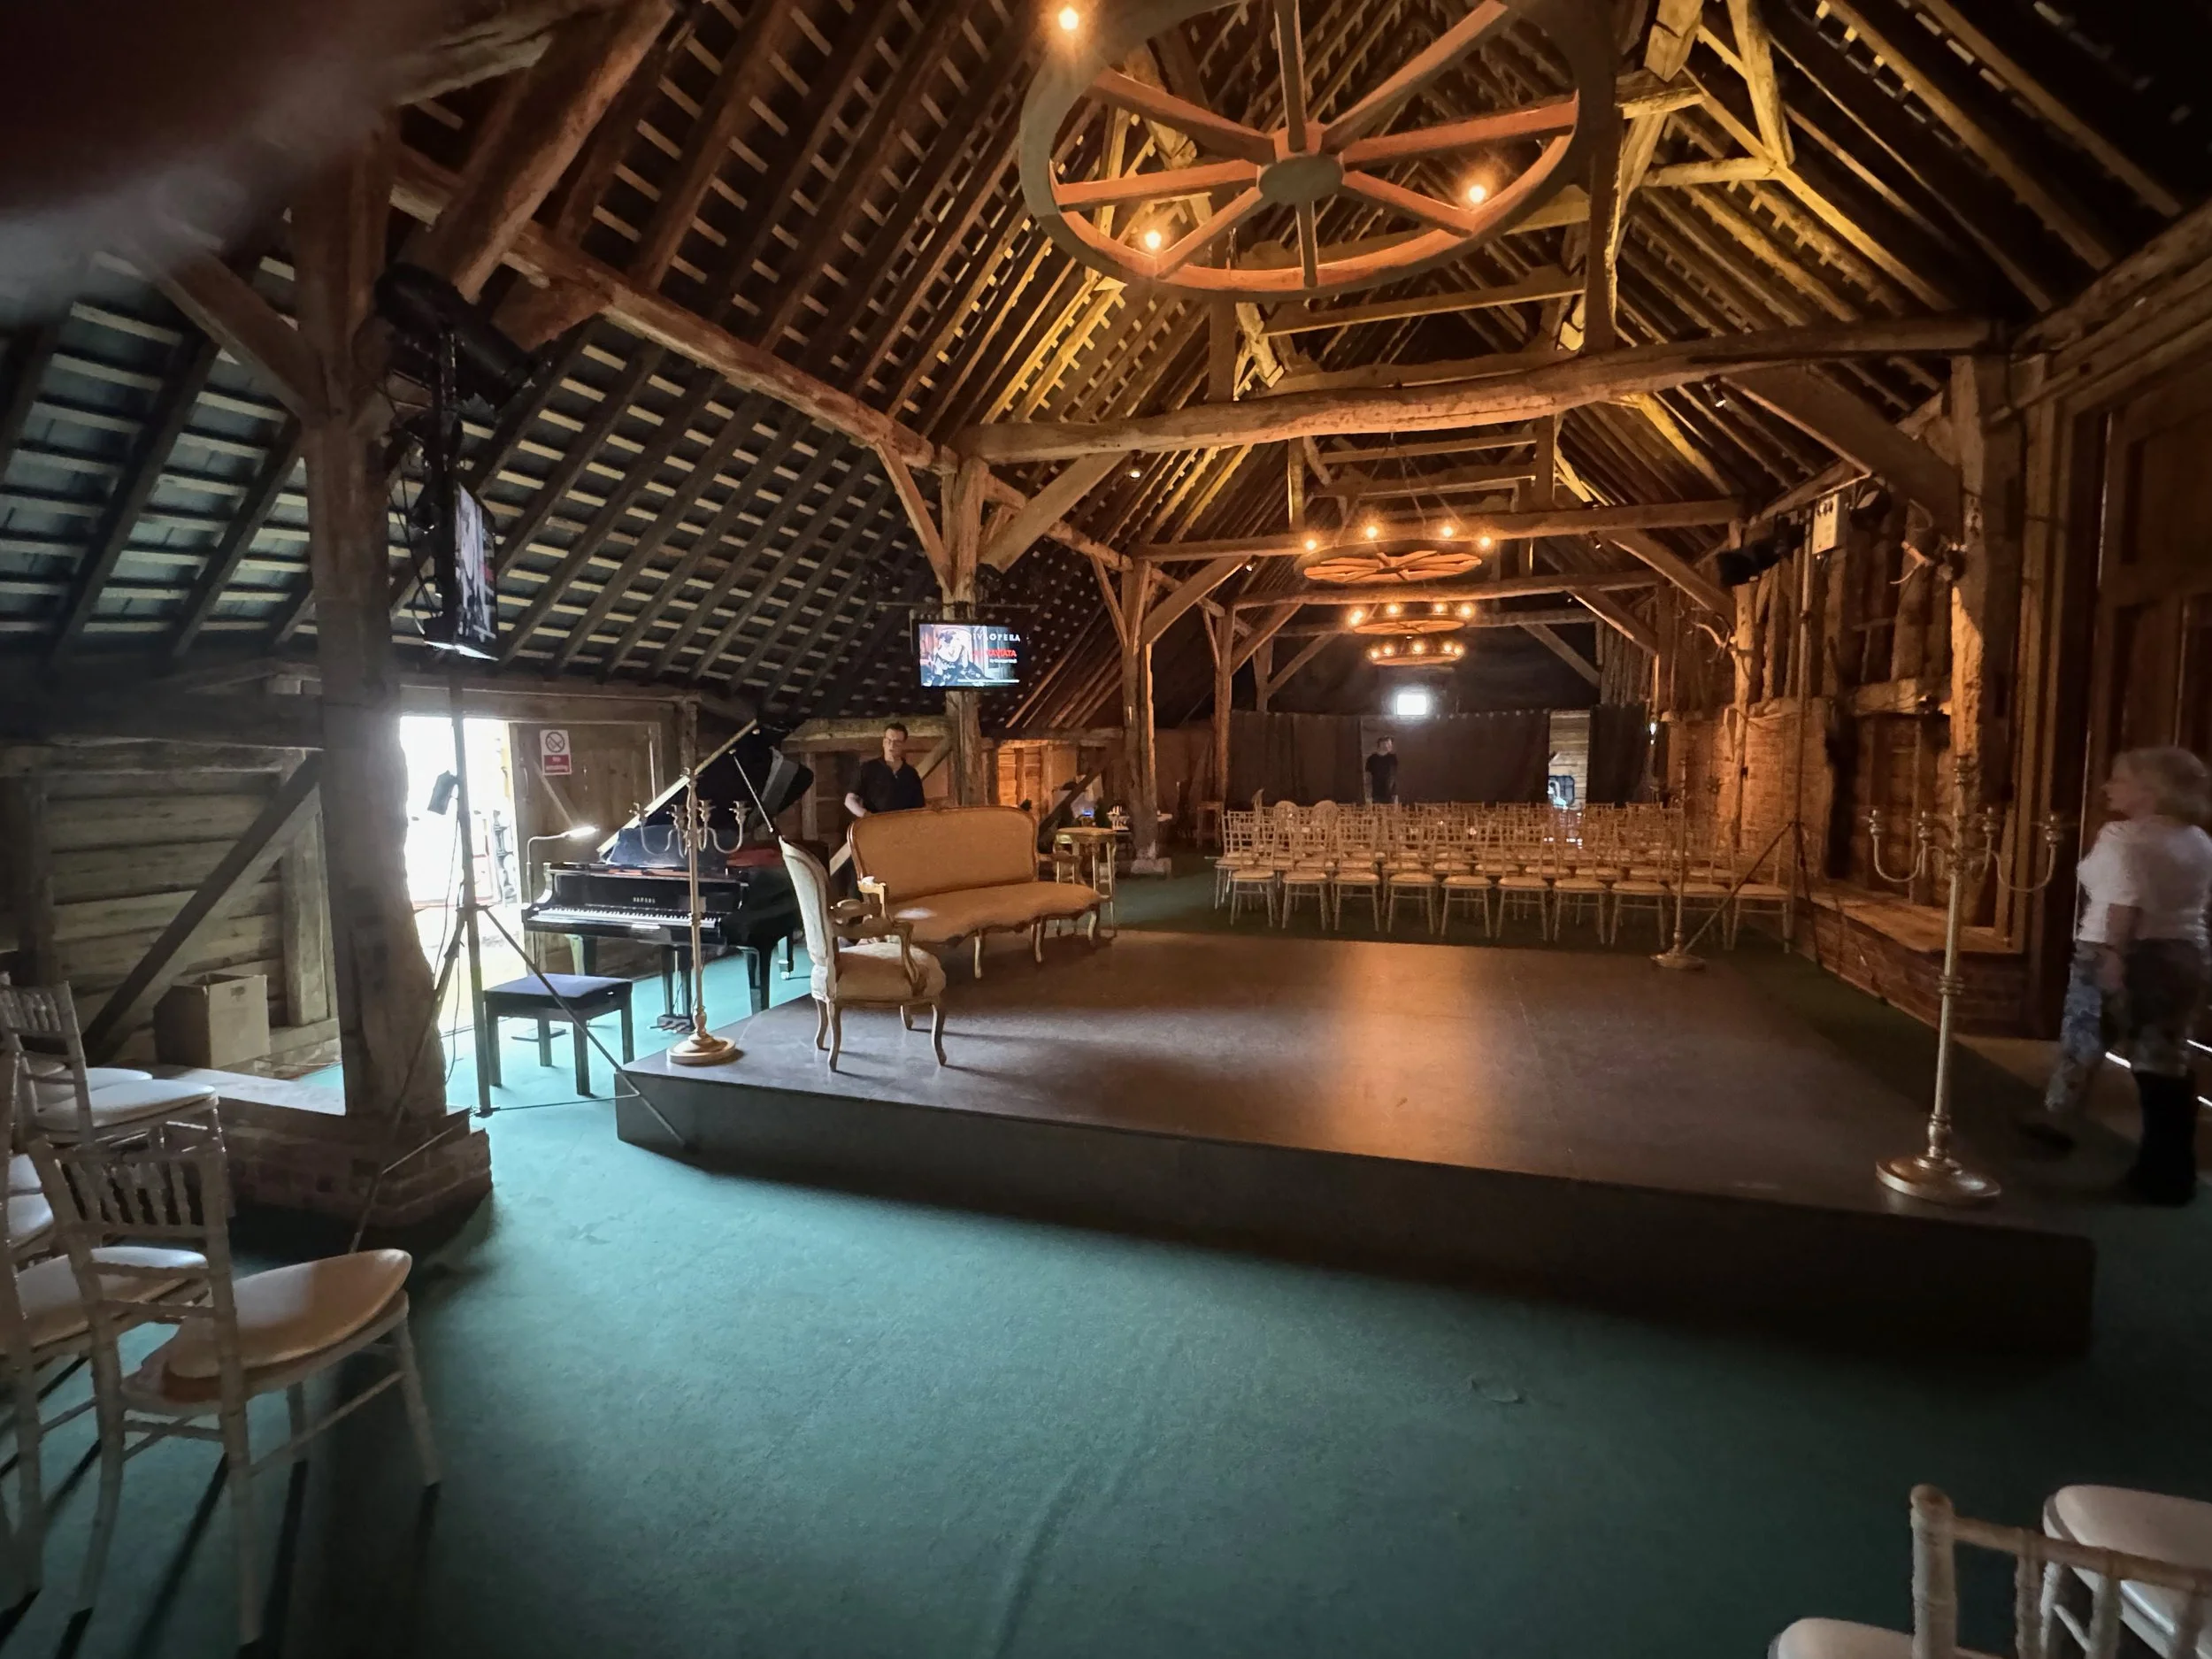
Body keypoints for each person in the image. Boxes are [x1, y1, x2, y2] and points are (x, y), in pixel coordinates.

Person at [2025, 746, 2212, 1203]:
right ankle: (2169, 1170)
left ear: (2151, 790)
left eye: (2120, 779)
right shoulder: (2198, 840)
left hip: (2118, 950)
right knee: (2163, 1061)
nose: (2109, 787)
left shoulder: (2123, 837)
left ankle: (2057, 1126)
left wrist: (2114, 955)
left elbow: (2123, 901)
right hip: (2183, 953)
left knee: (2084, 1038)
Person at [844, 723, 926, 819]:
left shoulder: (911, 774)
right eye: (889, 741)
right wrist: (867, 816)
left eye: (897, 742)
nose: (892, 745)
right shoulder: (868, 769)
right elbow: (849, 800)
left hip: (903, 828)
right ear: (883, 742)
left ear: (903, 745)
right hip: (875, 826)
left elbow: (919, 808)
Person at [1364, 737, 1399, 806]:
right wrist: (1368, 793)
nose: (1390, 746)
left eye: (1390, 744)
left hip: (1391, 792)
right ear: (1381, 744)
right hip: (1377, 792)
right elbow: (1368, 775)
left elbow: (1395, 775)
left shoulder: (1393, 758)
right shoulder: (1372, 758)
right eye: (1388, 744)